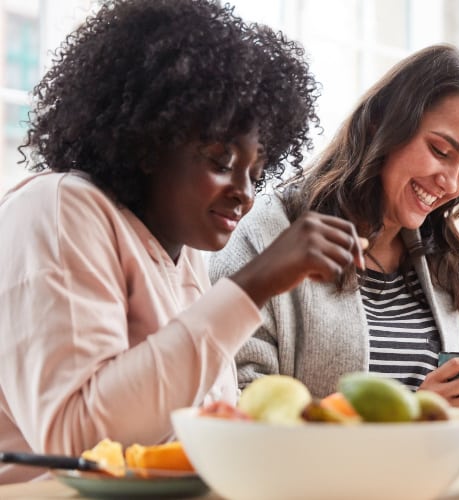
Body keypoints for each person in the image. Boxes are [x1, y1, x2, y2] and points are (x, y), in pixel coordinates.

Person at [0, 0, 365, 484]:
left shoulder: (183, 247)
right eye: (220, 160)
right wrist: (251, 286)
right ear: (149, 142)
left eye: (256, 173)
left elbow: (190, 429)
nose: (245, 193)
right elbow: (78, 445)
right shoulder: (59, 208)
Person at [209, 44, 459, 408]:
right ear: (379, 123)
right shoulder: (268, 235)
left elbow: (441, 412)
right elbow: (237, 402)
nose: (450, 183)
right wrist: (412, 414)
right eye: (440, 151)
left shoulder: (443, 260)